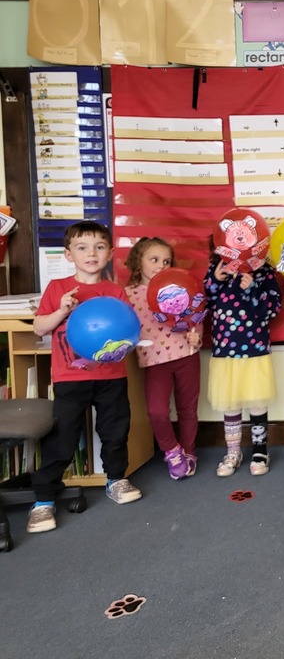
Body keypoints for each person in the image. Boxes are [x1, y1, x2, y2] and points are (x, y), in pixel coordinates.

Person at [27, 222, 142, 534]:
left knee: (116, 430)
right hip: (69, 378)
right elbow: (39, 328)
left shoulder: (115, 291)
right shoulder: (57, 288)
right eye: (82, 247)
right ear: (68, 254)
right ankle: (44, 499)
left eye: (99, 247)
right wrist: (63, 310)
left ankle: (116, 479)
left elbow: (127, 332)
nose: (91, 253)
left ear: (110, 254)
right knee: (63, 435)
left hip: (111, 375)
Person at [125, 237, 202, 480]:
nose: (160, 265)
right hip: (155, 362)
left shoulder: (178, 288)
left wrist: (196, 337)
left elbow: (195, 316)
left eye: (166, 261)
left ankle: (189, 452)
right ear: (139, 261)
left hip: (186, 355)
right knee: (157, 411)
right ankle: (172, 451)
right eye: (154, 259)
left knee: (187, 408)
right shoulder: (128, 295)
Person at [205, 240, 282, 477]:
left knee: (257, 402)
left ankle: (260, 451)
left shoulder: (264, 271)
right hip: (225, 350)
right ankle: (233, 451)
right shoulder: (218, 268)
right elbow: (206, 302)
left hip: (255, 349)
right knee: (230, 404)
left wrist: (253, 289)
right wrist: (216, 280)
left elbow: (272, 308)